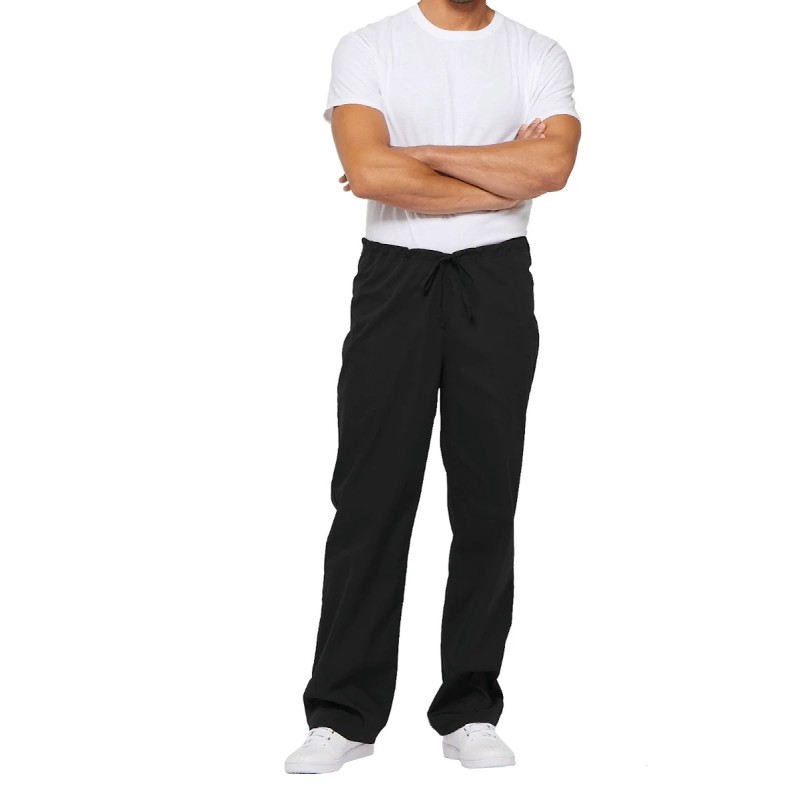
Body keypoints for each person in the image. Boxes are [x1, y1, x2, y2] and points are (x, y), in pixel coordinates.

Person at [284, 0, 580, 773]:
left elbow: (551, 168)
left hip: (496, 277)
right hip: (396, 274)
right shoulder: (368, 47)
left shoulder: (536, 53)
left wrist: (420, 155)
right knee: (370, 495)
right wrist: (499, 176)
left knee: (486, 496)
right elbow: (373, 173)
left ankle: (470, 710)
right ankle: (343, 715)